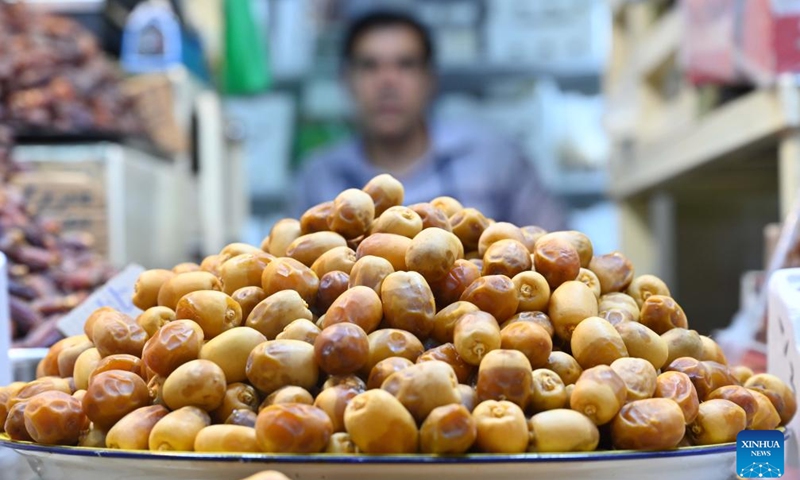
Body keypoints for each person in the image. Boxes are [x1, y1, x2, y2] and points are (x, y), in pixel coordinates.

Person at [290, 10, 566, 230]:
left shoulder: (494, 159)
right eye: (369, 66)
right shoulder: (319, 177)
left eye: (405, 64)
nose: (388, 82)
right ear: (346, 81)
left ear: (430, 80)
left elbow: (557, 250)